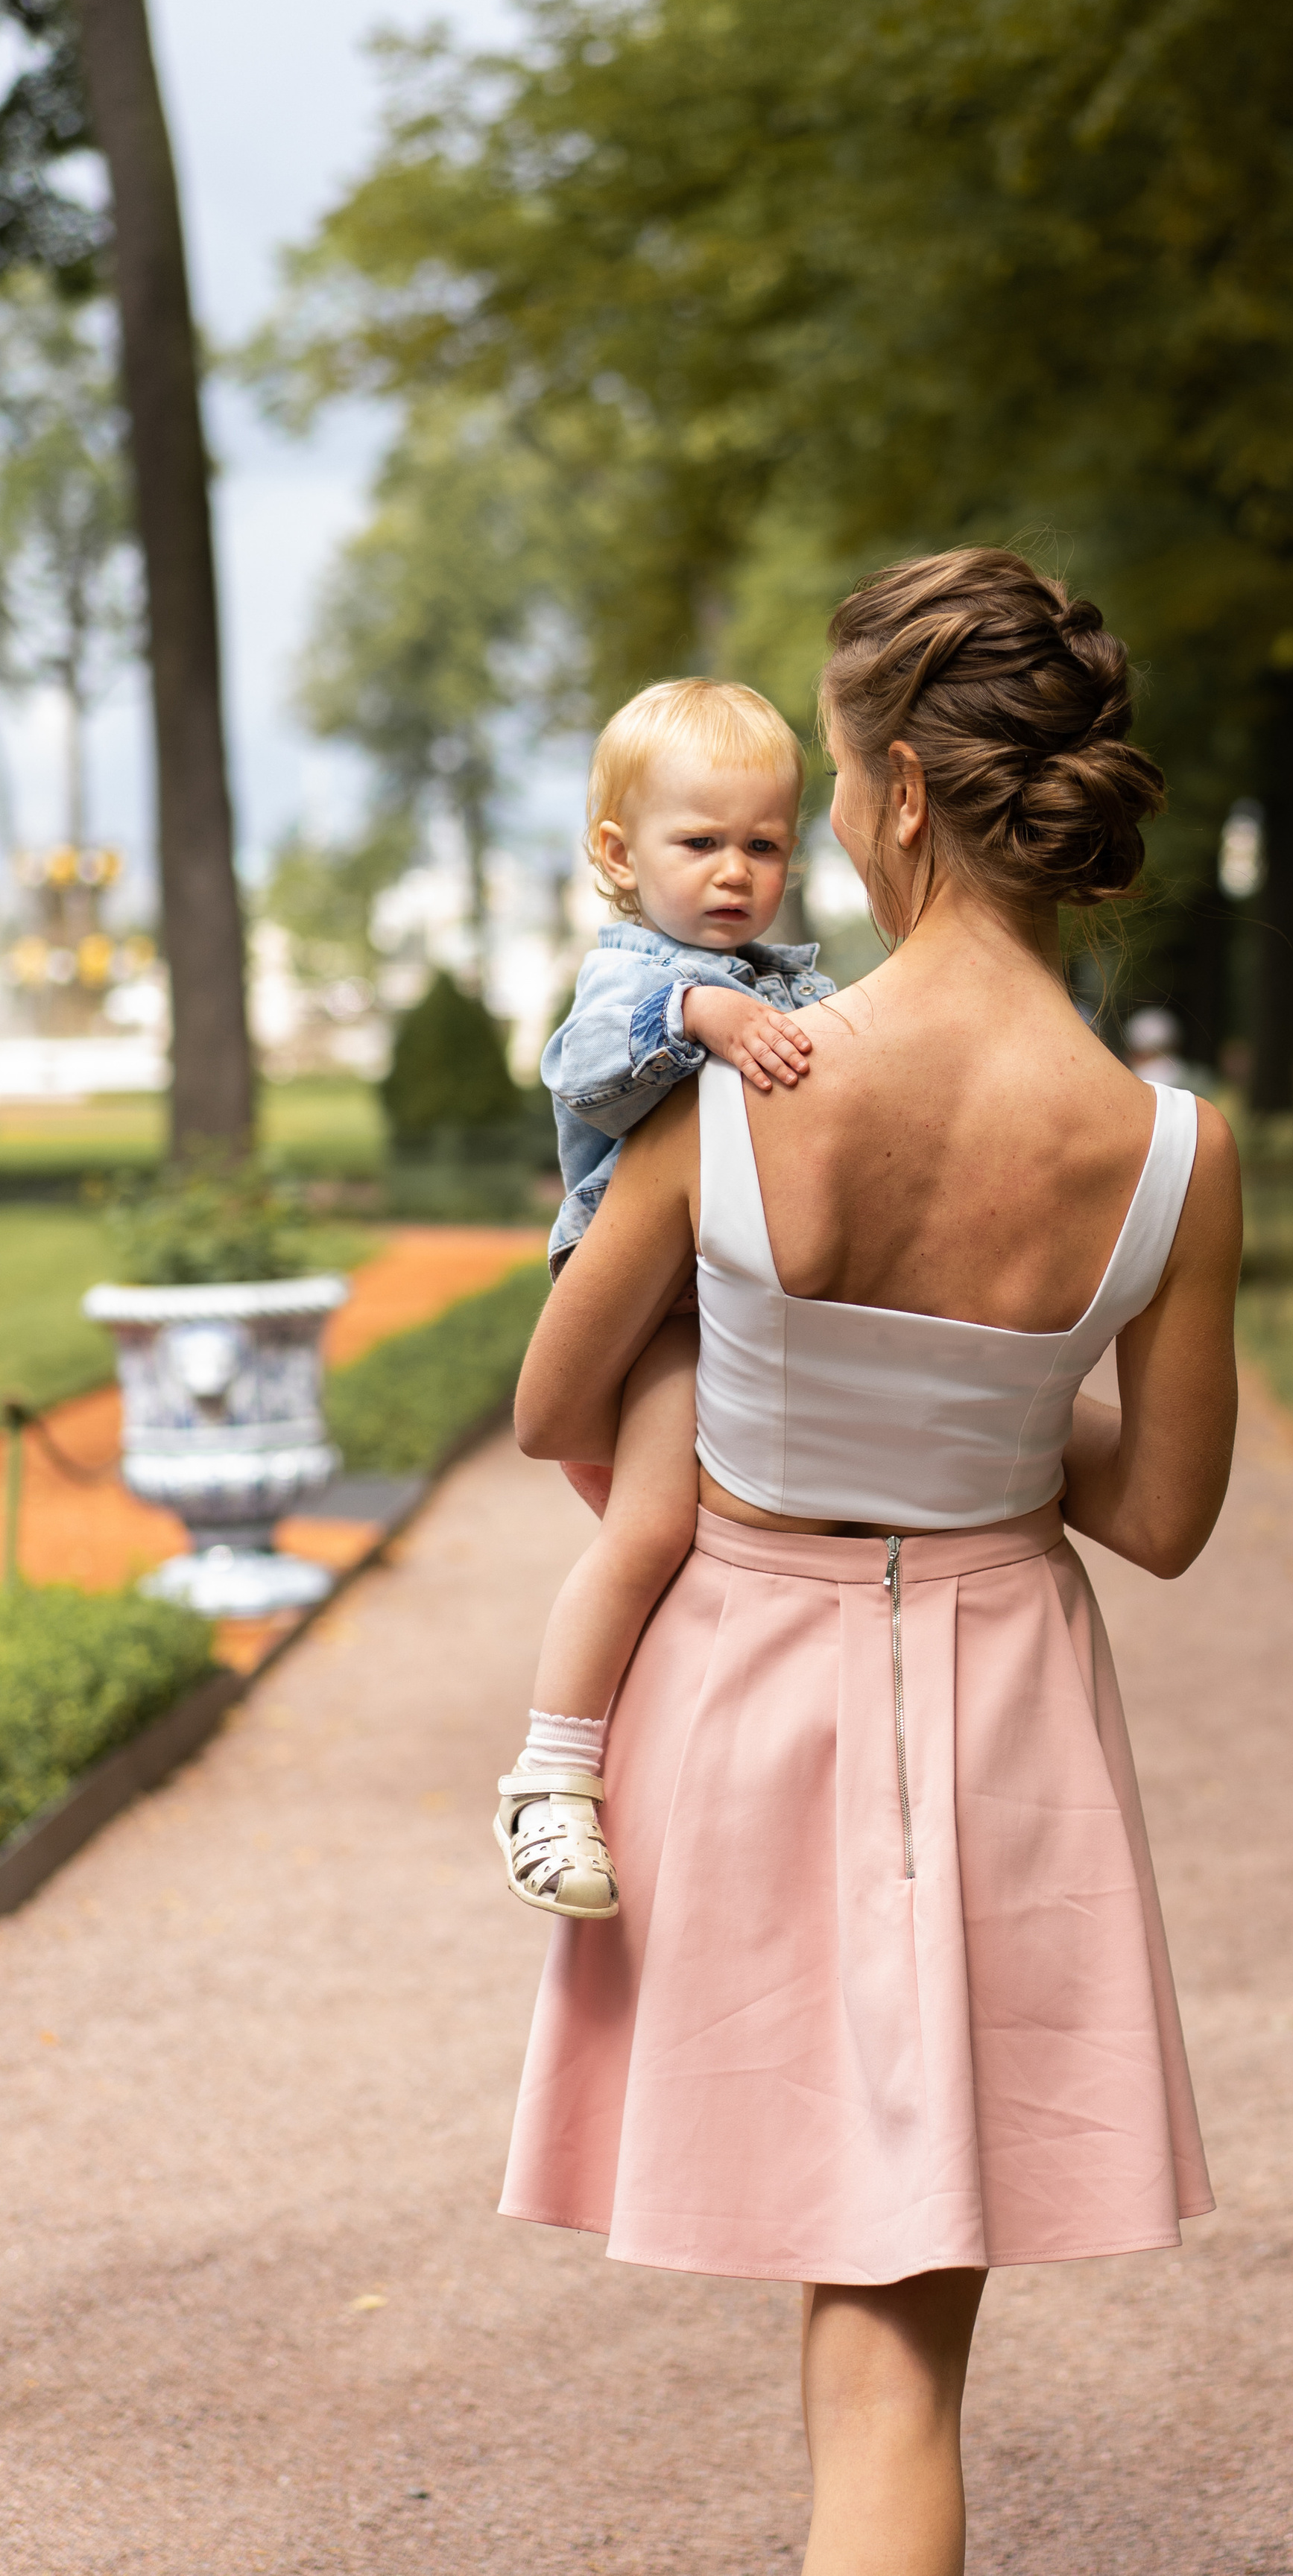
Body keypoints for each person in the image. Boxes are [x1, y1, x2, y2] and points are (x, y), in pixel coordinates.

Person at [506, 546, 1244, 2575]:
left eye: (835, 778)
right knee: (902, 2336)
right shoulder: (1170, 1151)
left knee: (867, 2339)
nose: (824, 823)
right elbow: (1161, 1517)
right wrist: (976, 1410)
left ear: (903, 794)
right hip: (1002, 1725)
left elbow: (555, 1406)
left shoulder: (738, 1099)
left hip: (751, 1697)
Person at [499, 679, 837, 1920]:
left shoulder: (791, 985)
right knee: (648, 1531)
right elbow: (583, 1071)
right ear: (617, 854)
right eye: (700, 843)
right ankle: (549, 1777)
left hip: (749, 1294)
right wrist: (699, 1012)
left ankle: (703, 1756)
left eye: (765, 845)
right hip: (652, 1306)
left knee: (747, 1543)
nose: (736, 872)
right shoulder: (635, 975)